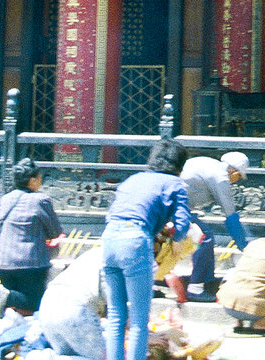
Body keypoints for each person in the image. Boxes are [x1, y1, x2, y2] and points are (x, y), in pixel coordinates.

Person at [100, 138, 190, 360]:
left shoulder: (133, 180)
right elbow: (183, 227)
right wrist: (170, 234)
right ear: (179, 165)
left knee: (116, 315)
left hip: (109, 239)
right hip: (135, 241)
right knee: (139, 319)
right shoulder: (175, 184)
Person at [172, 151, 251, 303]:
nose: (237, 181)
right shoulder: (221, 177)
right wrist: (244, 247)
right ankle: (195, 288)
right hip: (175, 208)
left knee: (206, 235)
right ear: (233, 172)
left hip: (176, 205)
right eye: (239, 176)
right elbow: (231, 217)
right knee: (204, 237)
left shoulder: (207, 162)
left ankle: (205, 280)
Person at [0, 157, 63, 313]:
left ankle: (4, 297)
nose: (41, 181)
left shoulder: (6, 199)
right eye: (39, 178)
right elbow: (55, 232)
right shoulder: (41, 200)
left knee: (14, 308)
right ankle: (1, 295)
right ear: (32, 180)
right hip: (30, 265)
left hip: (0, 262)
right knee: (34, 304)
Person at [38, 245, 106, 360]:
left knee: (67, 355)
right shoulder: (126, 258)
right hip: (75, 308)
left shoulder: (97, 251)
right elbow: (118, 309)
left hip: (48, 303)